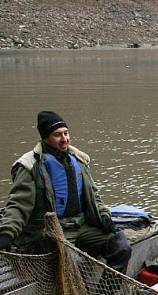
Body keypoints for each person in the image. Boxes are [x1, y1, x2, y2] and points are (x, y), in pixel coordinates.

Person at [0, 111, 131, 274]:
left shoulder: (79, 159)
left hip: (81, 225)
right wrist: (7, 233)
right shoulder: (29, 166)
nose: (64, 139)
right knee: (73, 263)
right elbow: (18, 205)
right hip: (50, 232)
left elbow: (93, 197)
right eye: (57, 135)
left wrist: (104, 216)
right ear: (45, 137)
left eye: (66, 133)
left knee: (121, 246)